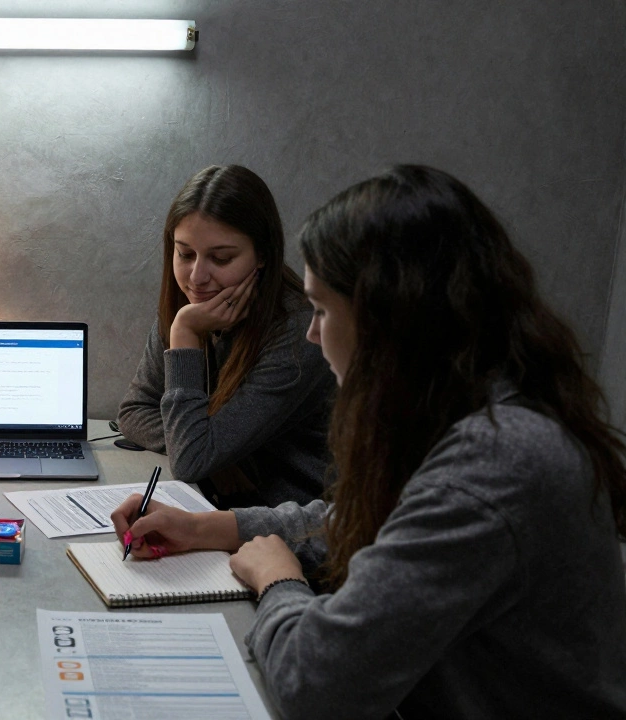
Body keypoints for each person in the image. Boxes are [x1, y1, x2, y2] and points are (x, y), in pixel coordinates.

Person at [111, 165, 626, 717]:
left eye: (325, 310)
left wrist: (279, 580)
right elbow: (384, 528)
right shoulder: (478, 418)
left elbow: (317, 684)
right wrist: (214, 527)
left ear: (390, 320)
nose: (312, 331)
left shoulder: (491, 468)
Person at [117, 165, 334, 508]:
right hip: (219, 506)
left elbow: (191, 460)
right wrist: (210, 451)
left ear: (262, 255)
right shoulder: (187, 307)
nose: (196, 277)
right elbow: (133, 411)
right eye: (185, 254)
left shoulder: (299, 334)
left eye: (221, 258)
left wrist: (185, 334)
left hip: (296, 528)